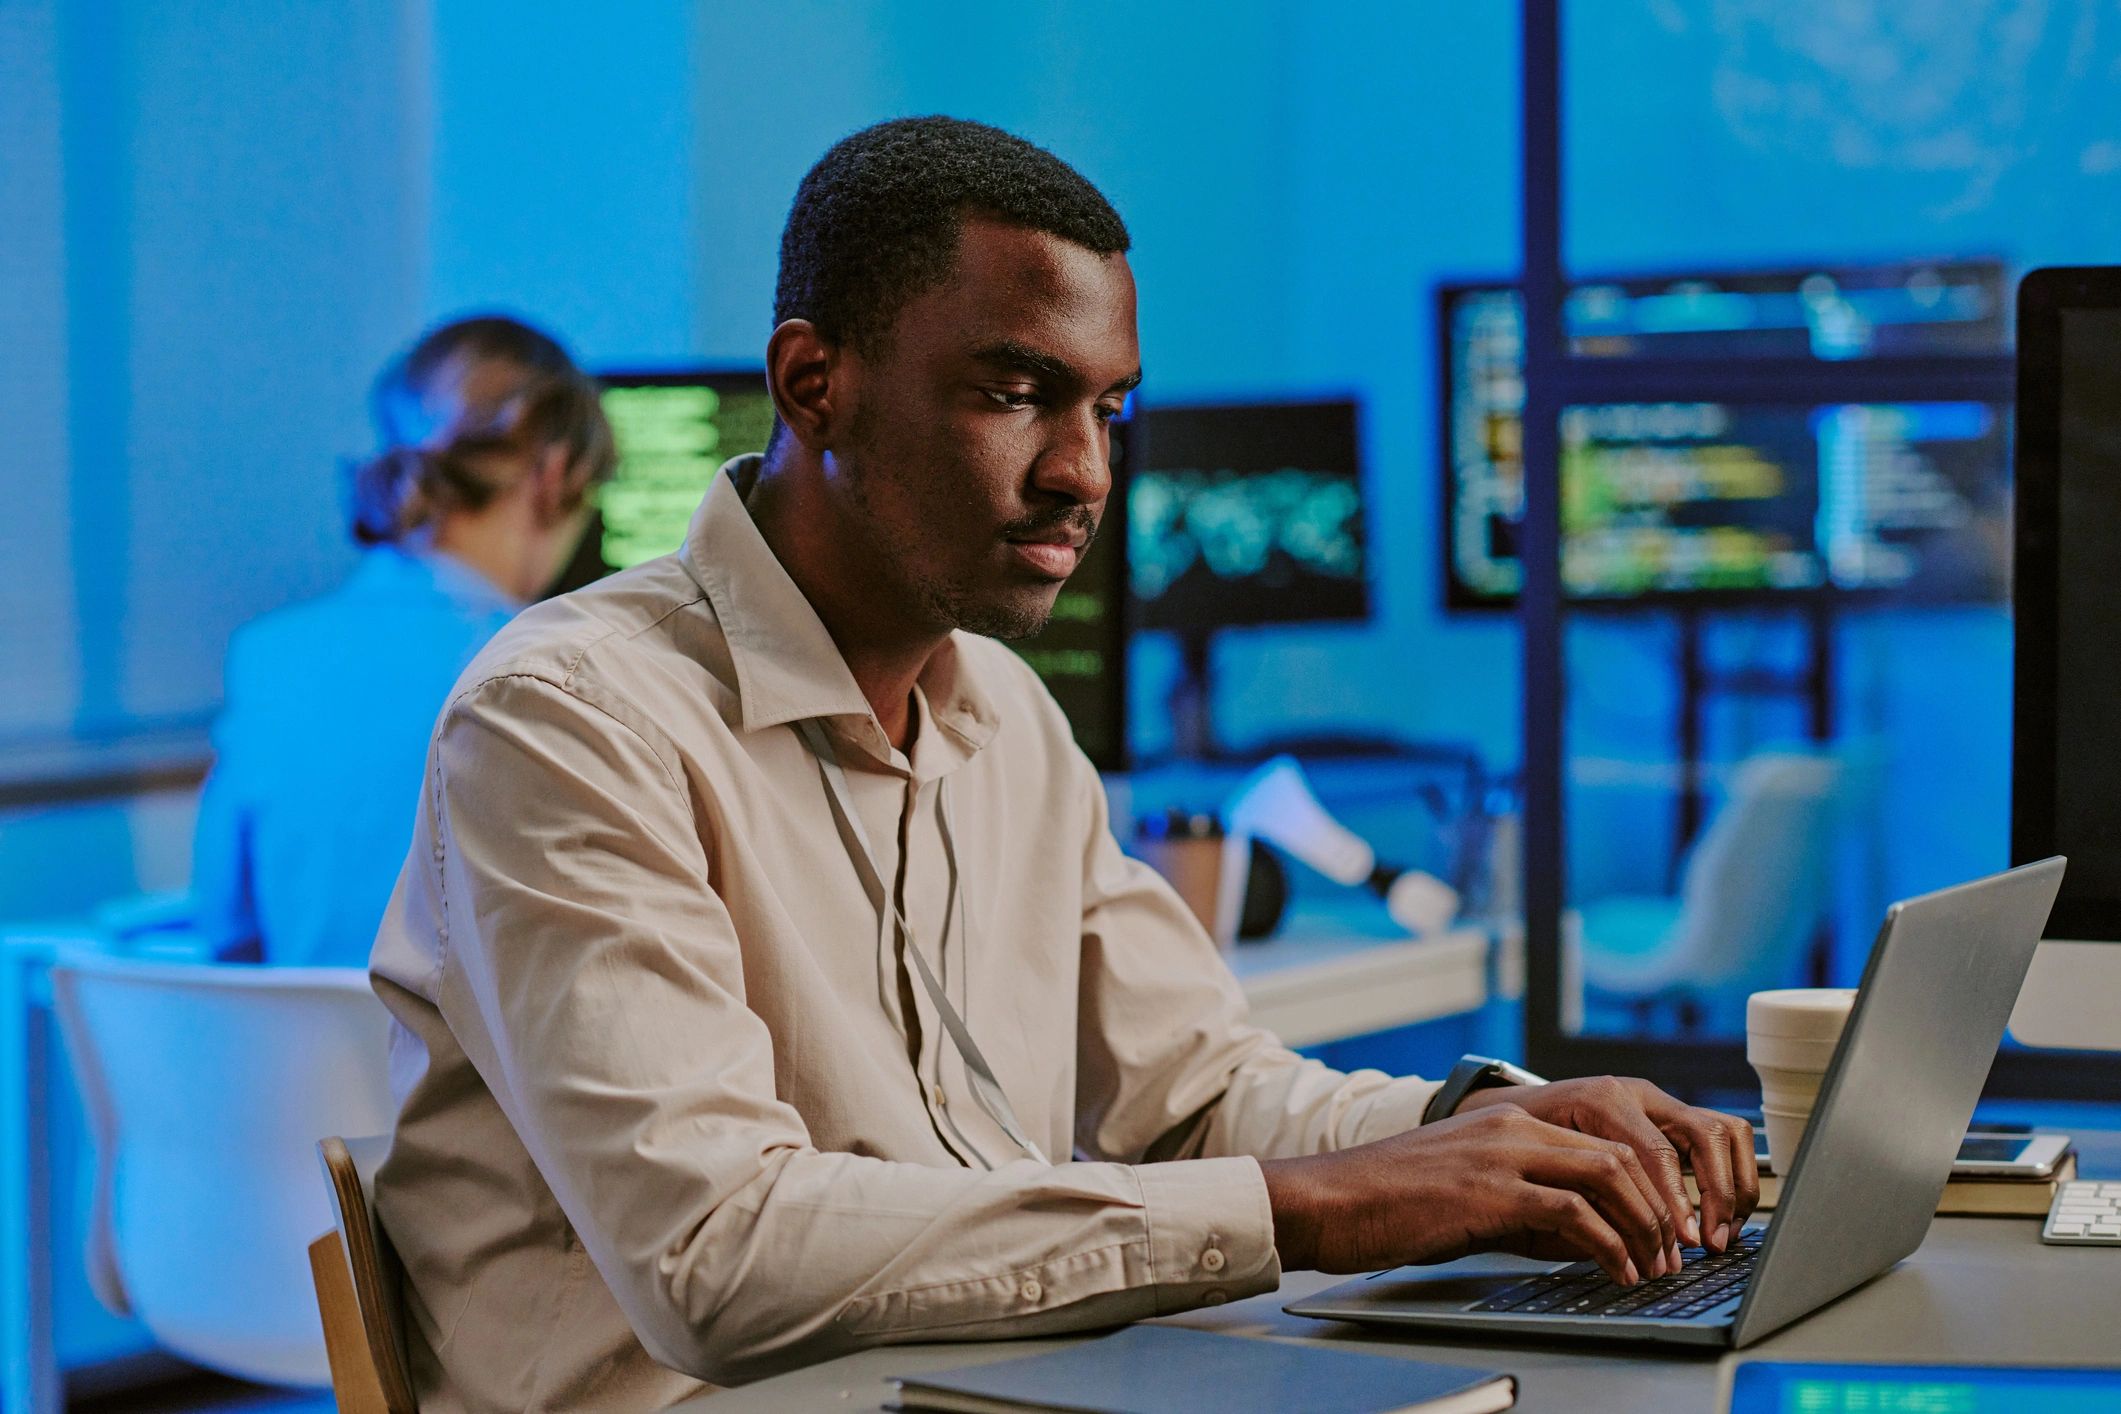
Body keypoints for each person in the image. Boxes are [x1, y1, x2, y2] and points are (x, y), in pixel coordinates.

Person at [371, 118, 1758, 1409]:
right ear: (814, 384)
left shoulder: (1009, 721)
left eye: (1108, 410)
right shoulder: (573, 715)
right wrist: (1318, 1204)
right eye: (1019, 393)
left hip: (982, 1388)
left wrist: (1500, 1134)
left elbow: (1199, 1092)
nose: (1086, 473)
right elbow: (715, 1252)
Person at [190, 316, 614, 966]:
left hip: (300, 1067)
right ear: (554, 473)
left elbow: (225, 924)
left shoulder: (267, 654)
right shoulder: (565, 667)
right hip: (468, 1068)